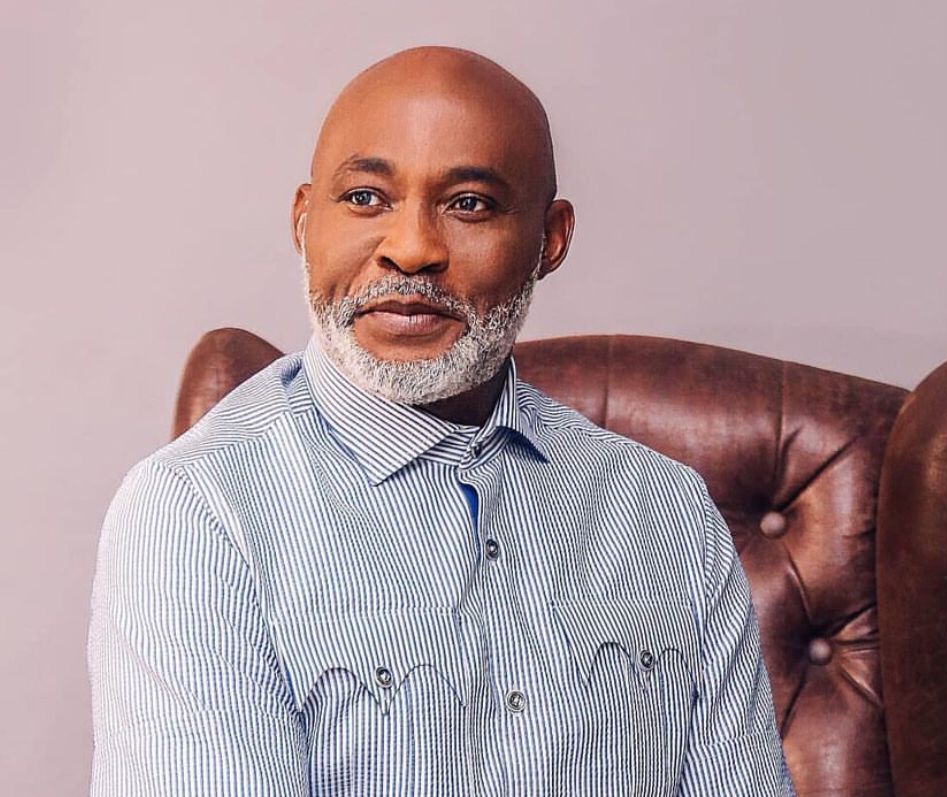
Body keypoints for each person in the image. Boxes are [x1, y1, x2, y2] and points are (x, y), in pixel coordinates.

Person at [87, 45, 795, 796]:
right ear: (303, 221)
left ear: (549, 240)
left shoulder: (668, 511)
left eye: (469, 205)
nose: (412, 249)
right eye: (366, 197)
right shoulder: (196, 512)